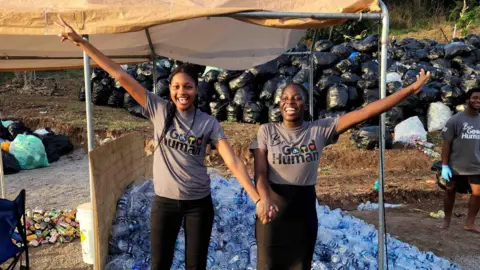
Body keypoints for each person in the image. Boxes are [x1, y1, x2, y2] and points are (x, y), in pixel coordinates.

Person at [55, 16, 277, 269]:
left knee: (196, 265)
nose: (182, 92)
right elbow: (118, 73)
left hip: (199, 205)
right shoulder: (158, 109)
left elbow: (233, 161)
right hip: (165, 204)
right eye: (177, 86)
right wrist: (81, 42)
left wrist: (257, 198)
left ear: (196, 90)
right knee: (160, 263)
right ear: (170, 89)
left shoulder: (208, 123)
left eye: (188, 87)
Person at [251, 71, 431, 269]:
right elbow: (259, 172)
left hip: (303, 211)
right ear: (279, 103)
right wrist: (264, 198)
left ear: (305, 104)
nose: (290, 102)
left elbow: (367, 111)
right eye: (285, 98)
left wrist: (410, 89)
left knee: (300, 265)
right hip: (272, 209)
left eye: (296, 98)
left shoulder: (320, 130)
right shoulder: (267, 131)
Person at [440, 88, 480, 233]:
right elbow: (446, 144)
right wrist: (444, 165)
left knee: (477, 193)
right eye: (475, 98)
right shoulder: (455, 120)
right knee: (450, 191)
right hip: (456, 164)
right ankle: (447, 220)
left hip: (476, 164)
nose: (478, 101)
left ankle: (470, 223)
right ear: (467, 100)